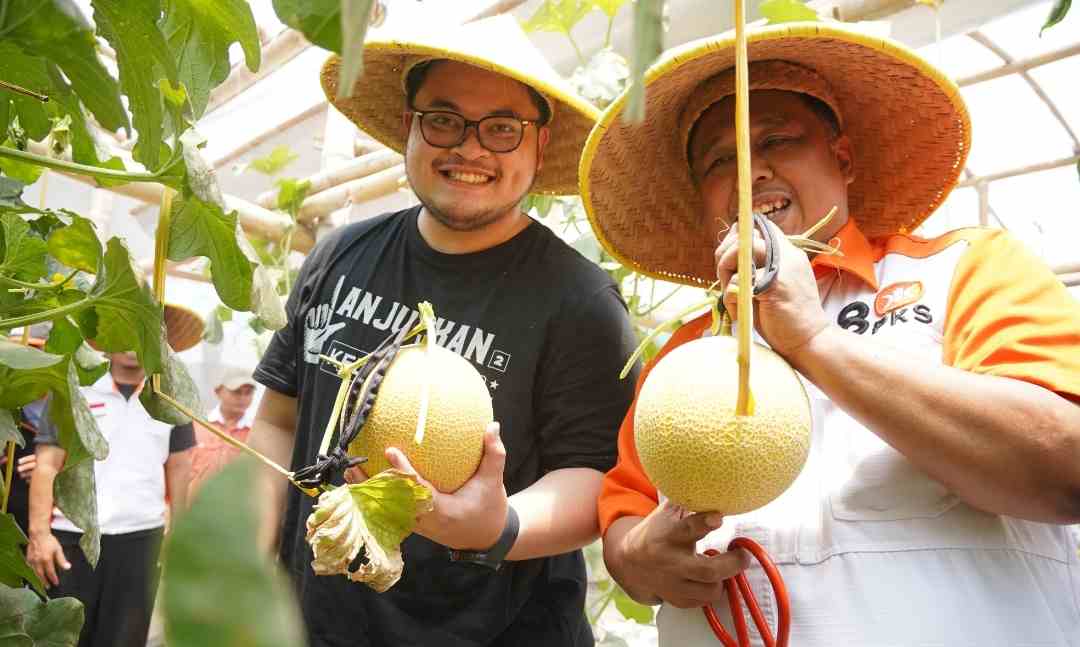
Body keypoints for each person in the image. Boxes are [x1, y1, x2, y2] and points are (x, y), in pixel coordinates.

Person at [581, 22, 1080, 646]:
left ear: (841, 159)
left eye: (777, 140)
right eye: (719, 160)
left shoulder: (963, 269)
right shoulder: (681, 355)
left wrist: (813, 340)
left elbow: (1064, 469)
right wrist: (642, 556)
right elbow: (625, 528)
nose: (750, 170)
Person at [248, 14, 639, 647]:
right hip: (314, 627)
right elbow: (280, 420)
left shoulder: (581, 300)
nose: (471, 147)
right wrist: (245, 551)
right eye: (444, 119)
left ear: (539, 147)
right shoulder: (337, 255)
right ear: (410, 127)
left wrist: (499, 525)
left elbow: (593, 478)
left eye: (503, 129)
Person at [26, 305, 203, 647]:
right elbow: (47, 463)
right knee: (61, 638)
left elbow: (180, 469)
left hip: (141, 541)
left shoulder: (170, 398)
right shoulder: (75, 387)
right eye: (123, 328)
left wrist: (178, 536)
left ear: (159, 338)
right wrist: (39, 534)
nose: (132, 340)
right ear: (106, 335)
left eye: (144, 329)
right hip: (70, 539)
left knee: (125, 639)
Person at [188, 365, 257, 497]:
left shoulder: (257, 433)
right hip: (193, 508)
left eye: (248, 392)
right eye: (236, 392)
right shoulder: (196, 425)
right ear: (218, 391)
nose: (242, 398)